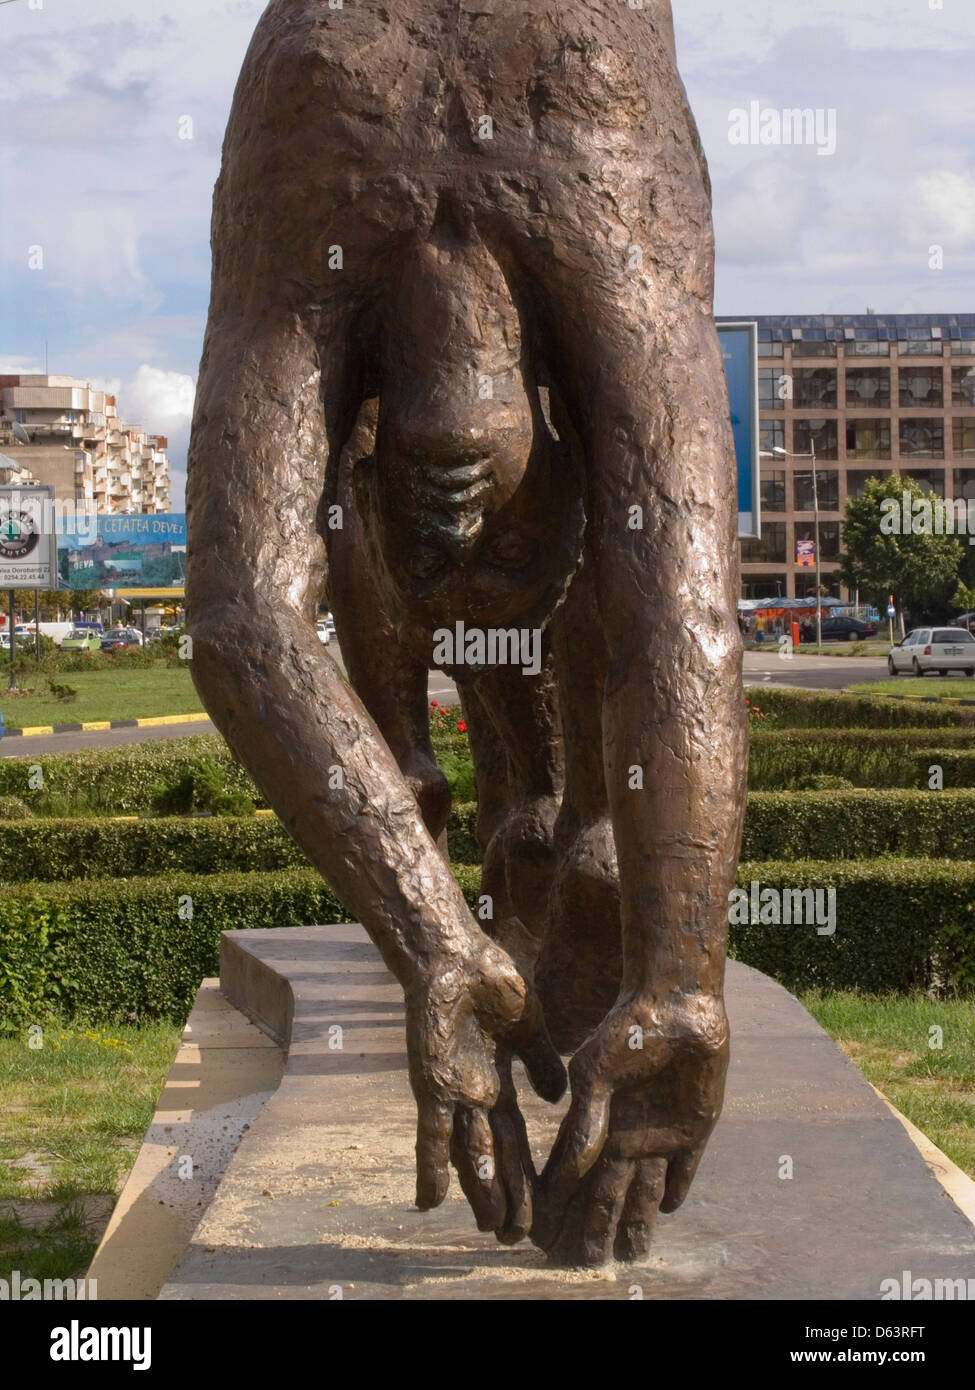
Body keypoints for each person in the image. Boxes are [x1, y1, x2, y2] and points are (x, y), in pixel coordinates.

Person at [185, 0, 745, 1267]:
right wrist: (677, 975)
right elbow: (684, 621)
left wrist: (445, 943)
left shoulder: (323, 138)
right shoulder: (607, 181)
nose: (466, 559)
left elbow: (241, 621)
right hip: (554, 87)